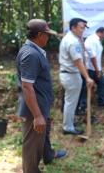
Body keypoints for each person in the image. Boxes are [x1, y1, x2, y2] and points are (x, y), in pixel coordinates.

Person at [16, 19, 67, 173]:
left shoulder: (34, 50)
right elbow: (27, 86)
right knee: (32, 144)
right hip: (34, 108)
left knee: (44, 133)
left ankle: (48, 154)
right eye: (47, 35)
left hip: (41, 103)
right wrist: (37, 115)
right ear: (39, 35)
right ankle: (30, 170)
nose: (48, 38)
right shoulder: (31, 54)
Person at [59, 18, 94, 135]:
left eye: (84, 28)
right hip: (71, 75)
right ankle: (68, 127)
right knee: (71, 102)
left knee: (70, 101)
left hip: (69, 74)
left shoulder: (73, 39)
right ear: (73, 27)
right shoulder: (72, 41)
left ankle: (68, 123)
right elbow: (78, 62)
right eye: (81, 28)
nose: (83, 30)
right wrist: (87, 77)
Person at [76, 27, 104, 114]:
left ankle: (101, 101)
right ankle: (82, 105)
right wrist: (97, 70)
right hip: (90, 68)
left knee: (102, 83)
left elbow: (97, 56)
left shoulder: (98, 40)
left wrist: (99, 69)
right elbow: (92, 57)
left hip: (96, 68)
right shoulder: (92, 40)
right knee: (86, 87)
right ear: (100, 32)